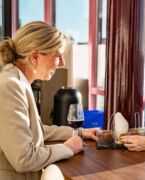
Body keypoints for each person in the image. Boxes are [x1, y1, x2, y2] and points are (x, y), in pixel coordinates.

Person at [0, 21, 100, 179]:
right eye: (58, 55)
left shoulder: (17, 81)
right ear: (34, 57)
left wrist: (77, 132)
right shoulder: (10, 86)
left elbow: (31, 131)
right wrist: (67, 148)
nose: (62, 63)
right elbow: (24, 159)